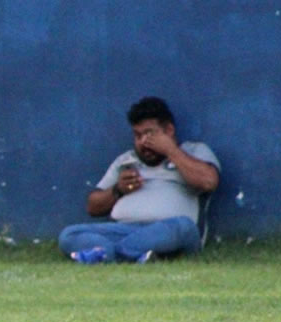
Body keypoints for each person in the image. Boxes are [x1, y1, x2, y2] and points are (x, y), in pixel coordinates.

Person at [58, 96, 219, 264]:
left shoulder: (194, 151)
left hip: (169, 230)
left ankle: (108, 254)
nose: (143, 142)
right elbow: (93, 207)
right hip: (124, 230)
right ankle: (134, 253)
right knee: (69, 234)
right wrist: (118, 190)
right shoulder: (125, 161)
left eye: (149, 134)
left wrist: (171, 150)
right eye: (137, 135)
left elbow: (209, 182)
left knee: (183, 226)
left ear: (169, 130)